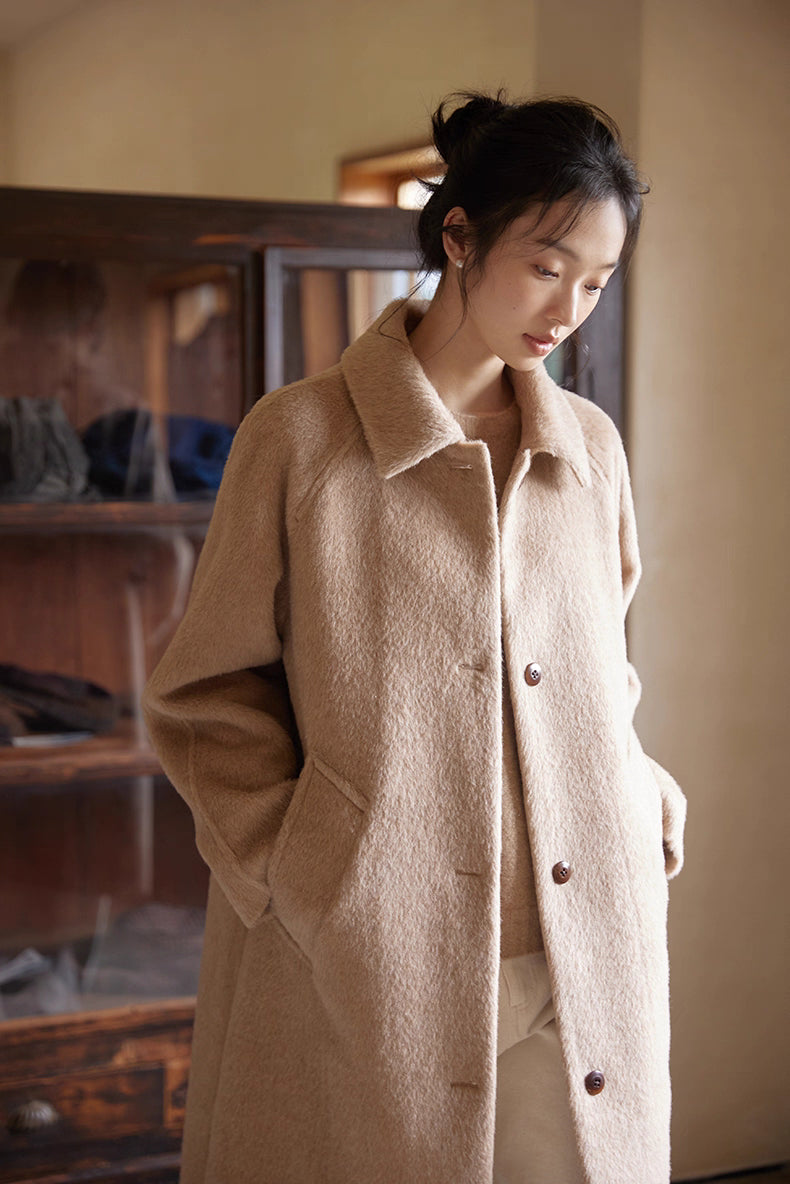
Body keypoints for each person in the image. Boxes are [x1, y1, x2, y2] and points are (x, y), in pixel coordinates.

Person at [142, 92, 687, 1184]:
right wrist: (309, 869)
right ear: (459, 236)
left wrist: (636, 783)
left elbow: (597, 662)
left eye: (596, 280)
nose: (567, 307)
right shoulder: (298, 437)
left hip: (582, 943)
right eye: (545, 265)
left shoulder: (589, 444)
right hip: (373, 956)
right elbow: (205, 694)